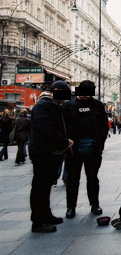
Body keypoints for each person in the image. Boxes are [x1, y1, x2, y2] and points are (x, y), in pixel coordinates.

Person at [28, 81, 74, 233]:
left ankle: (46, 215)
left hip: (50, 152)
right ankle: (38, 221)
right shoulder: (42, 106)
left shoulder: (54, 105)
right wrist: (63, 140)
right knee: (40, 186)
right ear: (55, 90)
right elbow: (47, 129)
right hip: (42, 152)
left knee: (46, 186)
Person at [63, 80, 109, 219]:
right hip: (74, 149)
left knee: (93, 178)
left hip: (93, 148)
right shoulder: (69, 105)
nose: (87, 97)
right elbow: (63, 125)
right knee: (72, 179)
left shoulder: (97, 105)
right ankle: (71, 207)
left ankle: (95, 204)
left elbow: (103, 126)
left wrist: (100, 144)